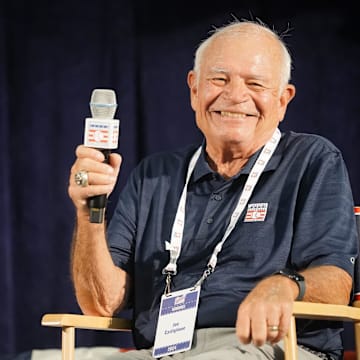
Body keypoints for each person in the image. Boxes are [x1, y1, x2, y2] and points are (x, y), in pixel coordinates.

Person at [68, 20, 358, 360]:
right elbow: (100, 302)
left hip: (271, 347)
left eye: (255, 83)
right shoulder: (153, 175)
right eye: (219, 79)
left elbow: (337, 284)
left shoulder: (312, 160)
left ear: (283, 99)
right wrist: (88, 211)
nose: (235, 96)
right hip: (162, 351)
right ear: (194, 89)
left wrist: (286, 284)